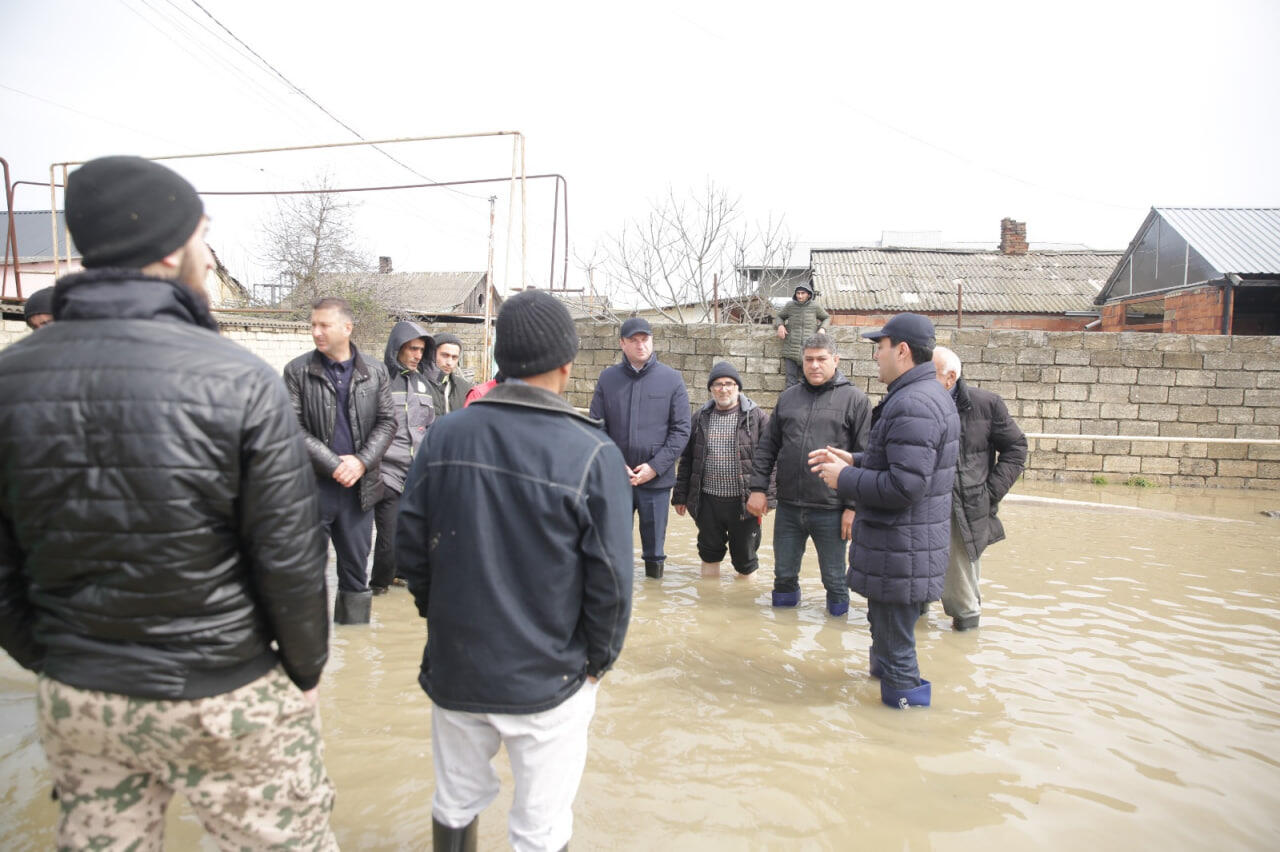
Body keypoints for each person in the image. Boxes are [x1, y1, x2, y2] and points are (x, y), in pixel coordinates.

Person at [0, 155, 336, 849]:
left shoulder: (10, 380)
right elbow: (290, 559)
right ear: (166, 246)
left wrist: (60, 660)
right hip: (224, 690)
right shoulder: (240, 379)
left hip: (80, 694)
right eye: (202, 236)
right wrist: (304, 671)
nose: (209, 258)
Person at [396, 290, 633, 852]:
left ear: (501, 358)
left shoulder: (446, 435)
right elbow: (612, 585)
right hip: (550, 679)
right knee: (540, 827)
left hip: (458, 668)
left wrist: (444, 620)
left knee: (454, 801)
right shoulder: (594, 454)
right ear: (568, 364)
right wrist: (598, 662)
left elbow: (410, 547)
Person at [811, 313, 959, 708]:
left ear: (903, 351)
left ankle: (903, 728)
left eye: (880, 347)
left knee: (897, 654)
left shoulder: (915, 402)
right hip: (903, 551)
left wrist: (844, 478)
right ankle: (886, 719)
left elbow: (905, 486)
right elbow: (903, 463)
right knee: (888, 643)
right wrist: (858, 461)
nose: (876, 356)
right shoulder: (919, 396)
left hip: (901, 552)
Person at [284, 297, 395, 624]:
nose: (316, 332)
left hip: (358, 493)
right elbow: (291, 428)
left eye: (324, 325)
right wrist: (335, 464)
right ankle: (307, 655)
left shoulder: (375, 372)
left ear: (347, 328)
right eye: (313, 325)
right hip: (311, 490)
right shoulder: (298, 370)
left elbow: (388, 422)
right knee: (302, 577)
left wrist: (360, 463)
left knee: (355, 577)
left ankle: (354, 648)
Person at [748, 335, 871, 616]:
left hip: (832, 508)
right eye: (809, 360)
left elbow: (865, 456)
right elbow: (768, 446)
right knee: (783, 576)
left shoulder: (855, 399)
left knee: (835, 580)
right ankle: (782, 634)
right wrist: (758, 488)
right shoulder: (789, 397)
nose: (815, 365)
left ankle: (835, 637)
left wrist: (853, 508)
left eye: (821, 359)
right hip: (789, 507)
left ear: (836, 360)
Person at [932, 345, 1027, 631]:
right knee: (914, 585)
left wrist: (989, 493)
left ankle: (963, 653)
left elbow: (1016, 448)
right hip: (920, 504)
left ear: (950, 377)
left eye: (930, 374)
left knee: (961, 591)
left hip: (964, 507)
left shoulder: (985, 404)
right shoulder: (914, 403)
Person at [589, 317, 691, 579]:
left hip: (655, 482)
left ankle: (654, 599)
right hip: (616, 480)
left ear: (652, 341)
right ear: (622, 343)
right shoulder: (608, 378)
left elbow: (681, 431)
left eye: (644, 339)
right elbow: (596, 427)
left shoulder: (672, 379)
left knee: (655, 552)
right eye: (633, 340)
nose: (640, 345)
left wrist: (655, 467)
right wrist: (614, 463)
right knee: (612, 548)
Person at [673, 362, 773, 578]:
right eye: (718, 384)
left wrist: (767, 498)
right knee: (709, 554)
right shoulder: (700, 417)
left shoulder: (757, 418)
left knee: (746, 560)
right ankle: (707, 603)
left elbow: (773, 460)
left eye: (729, 384)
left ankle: (745, 605)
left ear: (738, 387)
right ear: (711, 389)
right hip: (707, 500)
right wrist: (680, 496)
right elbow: (688, 460)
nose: (723, 389)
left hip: (744, 503)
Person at [370, 320, 437, 595]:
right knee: (387, 541)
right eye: (411, 348)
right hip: (386, 472)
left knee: (414, 537)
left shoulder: (425, 385)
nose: (416, 355)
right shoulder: (379, 380)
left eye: (421, 350)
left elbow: (431, 427)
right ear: (397, 348)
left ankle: (399, 578)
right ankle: (376, 589)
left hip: (417, 474)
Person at [775, 279, 830, 388]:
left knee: (809, 382)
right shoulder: (790, 306)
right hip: (791, 350)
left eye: (802, 293)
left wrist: (822, 329)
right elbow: (779, 316)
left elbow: (826, 317)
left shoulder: (815, 306)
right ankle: (790, 404)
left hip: (808, 350)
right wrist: (780, 326)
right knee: (790, 382)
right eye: (798, 293)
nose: (800, 296)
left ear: (809, 295)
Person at [429, 331, 473, 414]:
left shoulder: (465, 388)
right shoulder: (418, 384)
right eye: (445, 355)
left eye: (454, 357)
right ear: (432, 354)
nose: (449, 362)